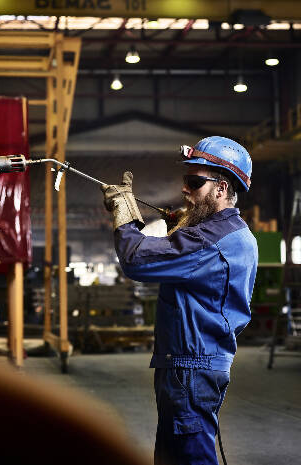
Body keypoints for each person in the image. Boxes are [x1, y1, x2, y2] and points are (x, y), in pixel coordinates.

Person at [101, 136, 258, 465]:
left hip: (192, 369)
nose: (185, 188)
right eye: (186, 179)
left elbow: (136, 260)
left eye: (194, 181)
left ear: (221, 188)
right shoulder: (228, 233)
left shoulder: (210, 240)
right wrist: (177, 226)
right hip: (191, 364)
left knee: (190, 458)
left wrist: (125, 217)